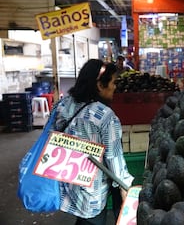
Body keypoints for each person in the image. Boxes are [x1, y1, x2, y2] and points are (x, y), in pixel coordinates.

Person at [51, 59, 134, 224]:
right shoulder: (105, 116)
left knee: (82, 220)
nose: (115, 87)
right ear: (100, 85)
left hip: (68, 183)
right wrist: (126, 186)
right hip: (92, 191)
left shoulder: (63, 104)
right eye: (112, 82)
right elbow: (114, 158)